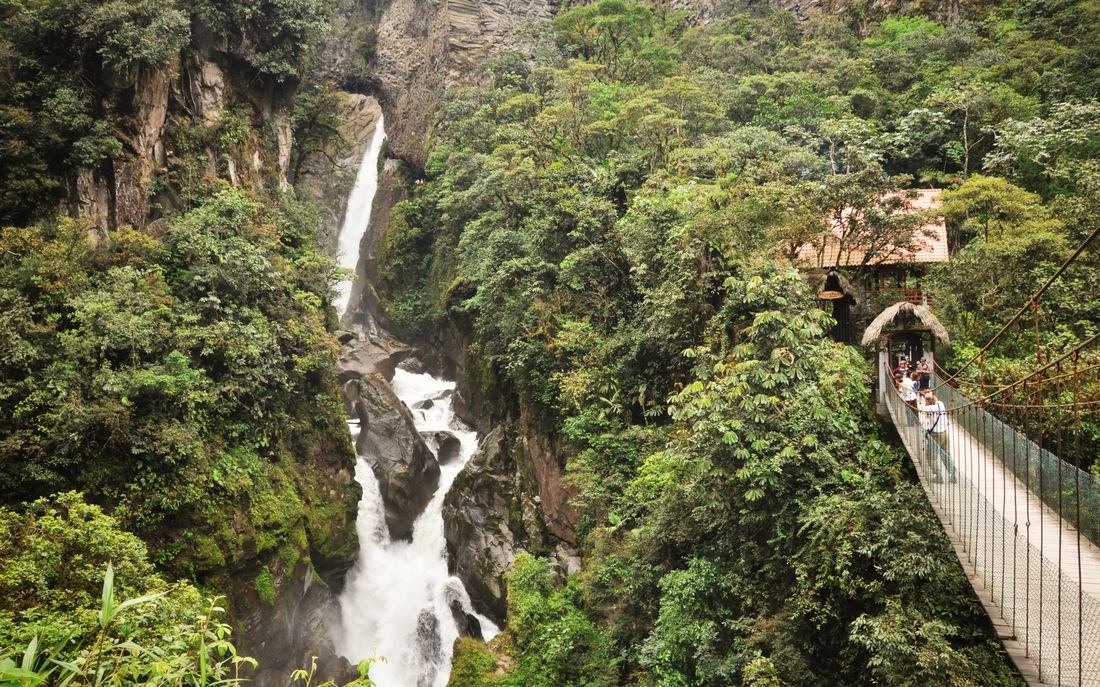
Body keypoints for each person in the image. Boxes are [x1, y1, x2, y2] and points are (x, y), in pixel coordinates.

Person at [920, 392, 955, 482]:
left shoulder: (927, 408)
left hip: (936, 435)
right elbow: (935, 399)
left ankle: (938, 476)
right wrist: (930, 394)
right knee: (946, 455)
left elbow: (926, 414)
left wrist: (926, 400)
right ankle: (953, 475)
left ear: (927, 401)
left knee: (931, 456)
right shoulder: (940, 404)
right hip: (945, 433)